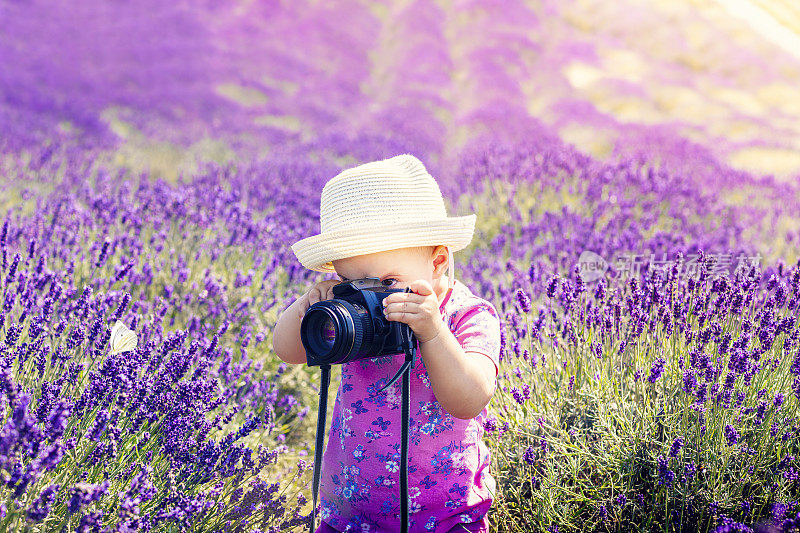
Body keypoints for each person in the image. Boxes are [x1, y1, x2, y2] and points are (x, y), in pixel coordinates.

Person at [272, 154, 502, 532]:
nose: (365, 297)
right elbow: (287, 351)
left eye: (388, 282)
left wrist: (432, 332)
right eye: (350, 281)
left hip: (444, 512)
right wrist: (310, 306)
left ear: (438, 260)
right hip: (349, 506)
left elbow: (469, 399)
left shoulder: (466, 315)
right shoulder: (351, 312)